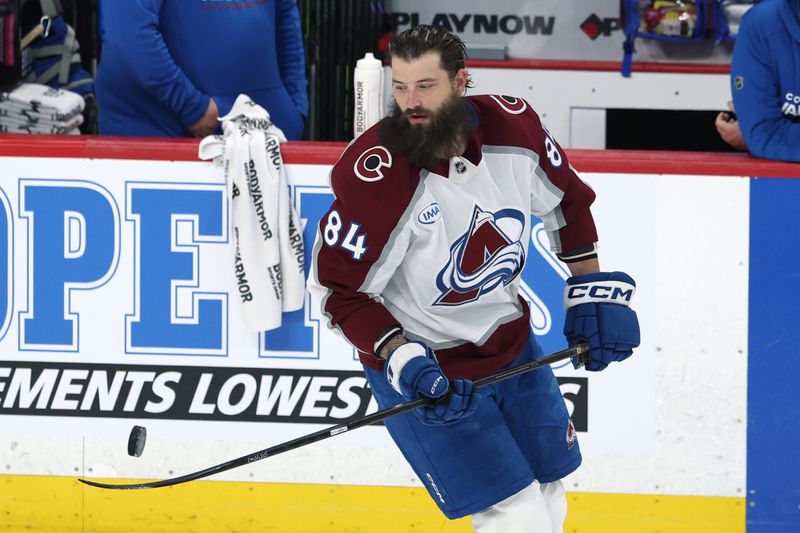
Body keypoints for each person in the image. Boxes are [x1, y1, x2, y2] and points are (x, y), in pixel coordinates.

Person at [308, 25, 640, 533]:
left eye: (426, 86)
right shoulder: (377, 174)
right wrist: (403, 360)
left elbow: (568, 204)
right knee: (517, 516)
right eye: (400, 87)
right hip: (429, 370)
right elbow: (338, 292)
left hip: (513, 347)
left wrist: (590, 293)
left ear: (462, 81)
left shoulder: (515, 127)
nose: (410, 103)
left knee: (550, 497)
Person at [95, 0, 308, 139]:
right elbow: (131, 37)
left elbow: (285, 17)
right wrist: (192, 108)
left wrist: (294, 108)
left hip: (269, 139)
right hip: (165, 141)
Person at [715, 0, 800, 162]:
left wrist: (766, 141)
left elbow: (763, 136)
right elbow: (764, 133)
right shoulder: (761, 24)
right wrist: (759, 137)